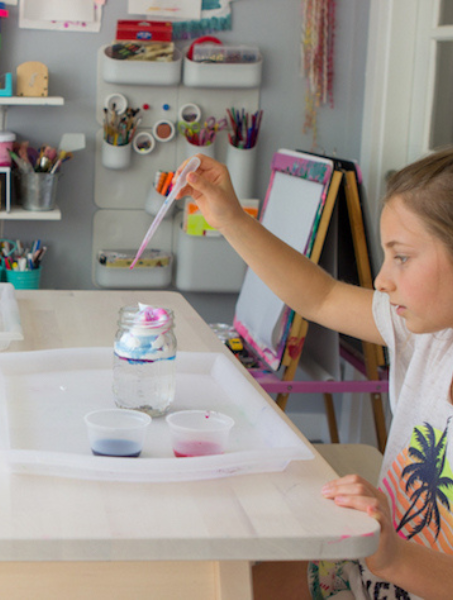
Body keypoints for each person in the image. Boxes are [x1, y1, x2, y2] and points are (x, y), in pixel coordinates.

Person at [177, 149, 453, 599]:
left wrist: (394, 558)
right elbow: (320, 297)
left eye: (401, 257)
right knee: (219, 586)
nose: (382, 279)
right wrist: (231, 219)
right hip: (370, 573)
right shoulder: (430, 333)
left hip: (396, 570)